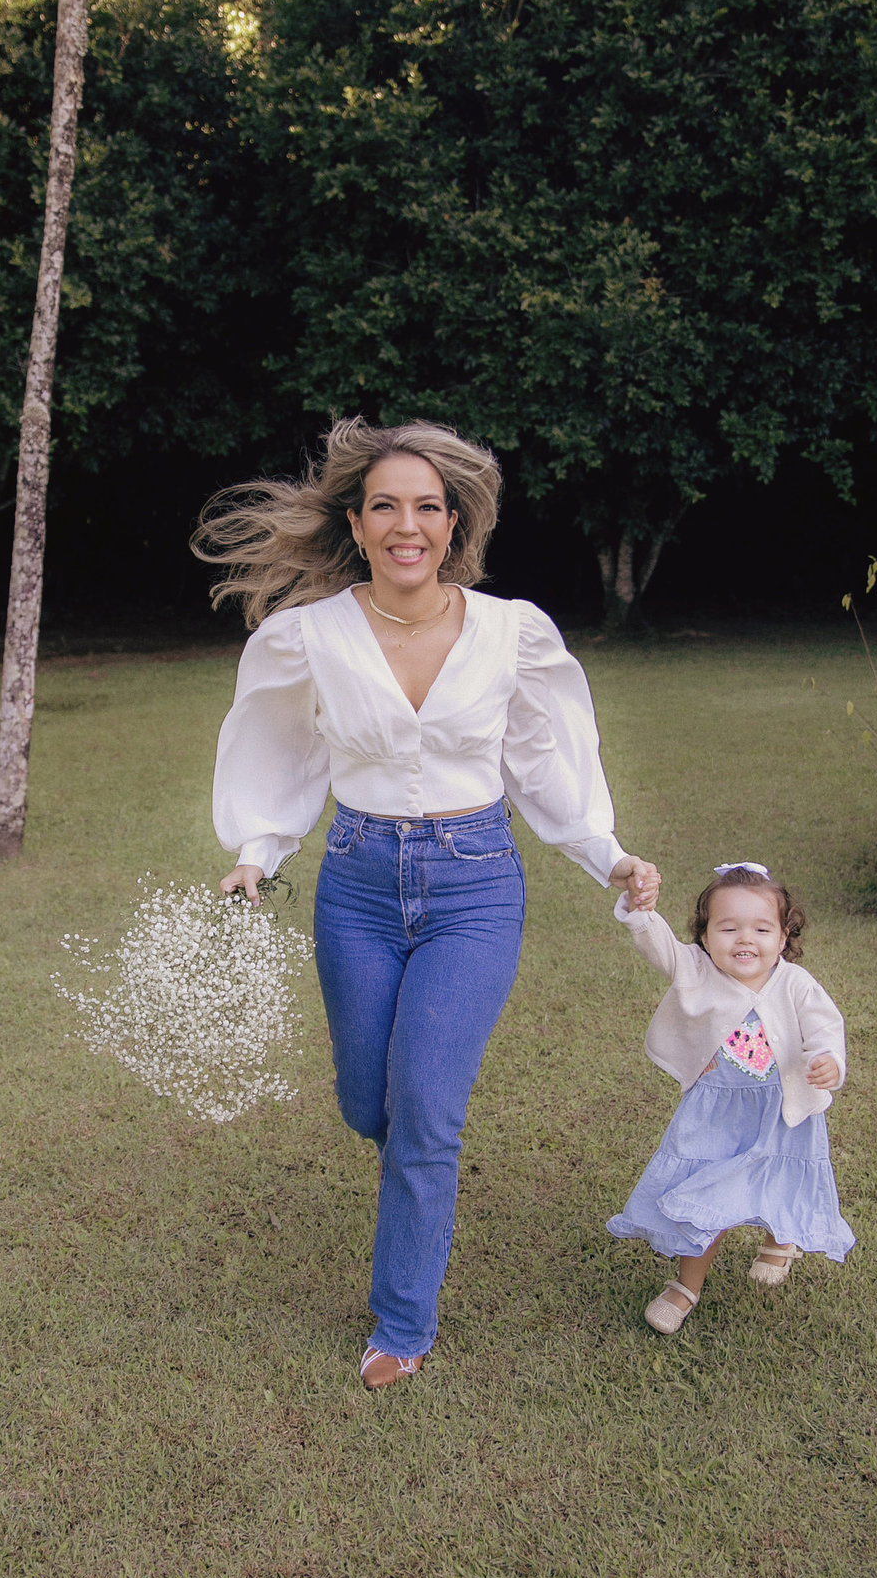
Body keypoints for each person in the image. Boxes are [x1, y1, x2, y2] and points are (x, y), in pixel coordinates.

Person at [196, 416, 660, 1389]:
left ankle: (401, 1324)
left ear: (454, 523)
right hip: (356, 886)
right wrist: (256, 850)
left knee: (425, 1120)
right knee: (369, 1101)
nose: (407, 525)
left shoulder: (512, 631)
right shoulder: (308, 637)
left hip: (475, 886)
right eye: (385, 508)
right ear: (357, 526)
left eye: (427, 507)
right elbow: (281, 748)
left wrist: (607, 854)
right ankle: (416, 1157)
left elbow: (545, 759)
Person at [607, 862, 854, 1334]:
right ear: (704, 936)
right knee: (705, 1189)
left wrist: (828, 1060)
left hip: (782, 1110)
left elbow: (826, 1027)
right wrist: (642, 912)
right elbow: (659, 947)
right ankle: (685, 1286)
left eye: (761, 928)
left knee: (781, 1177)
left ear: (783, 937)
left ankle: (780, 1241)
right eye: (728, 928)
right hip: (716, 1109)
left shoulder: (795, 983)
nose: (745, 939)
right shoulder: (696, 969)